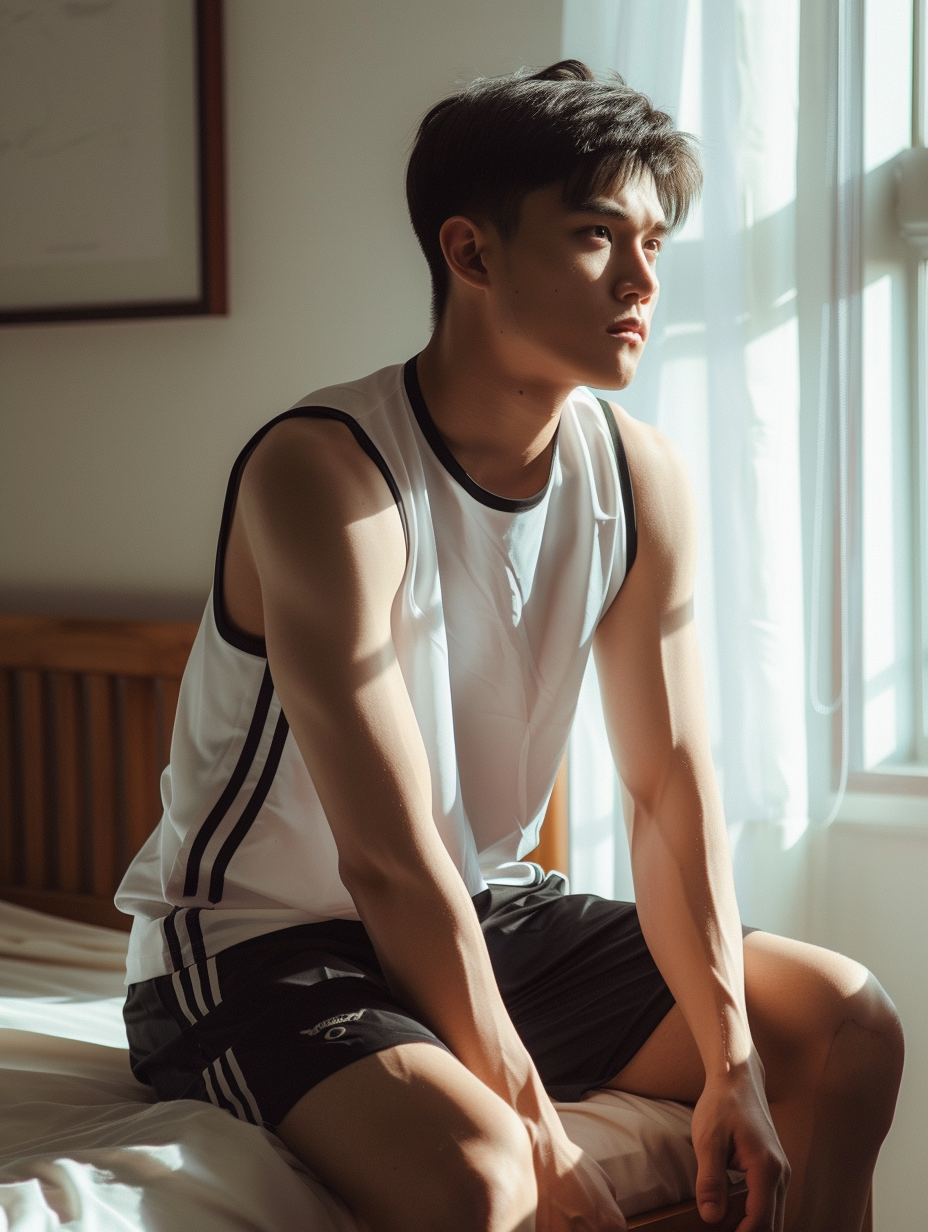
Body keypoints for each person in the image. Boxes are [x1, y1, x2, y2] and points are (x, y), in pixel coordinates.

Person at [116, 61, 903, 1232]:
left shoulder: (636, 472)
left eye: (652, 241)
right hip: (260, 944)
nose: (641, 280)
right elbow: (385, 859)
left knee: (846, 1024)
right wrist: (534, 1124)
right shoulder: (325, 473)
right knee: (481, 1176)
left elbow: (663, 783)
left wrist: (732, 1054)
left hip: (484, 906)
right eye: (596, 237)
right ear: (471, 254)